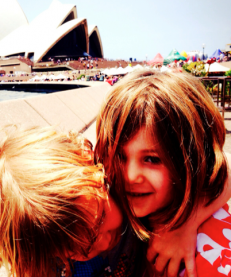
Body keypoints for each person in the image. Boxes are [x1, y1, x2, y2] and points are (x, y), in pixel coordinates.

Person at [0, 125, 138, 277]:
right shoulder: (46, 268)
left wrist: (168, 235)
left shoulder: (136, 207)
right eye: (80, 248)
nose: (105, 242)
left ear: (91, 162)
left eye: (102, 216)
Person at [95, 70, 231, 276]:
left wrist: (187, 221)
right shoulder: (104, 194)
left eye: (151, 159)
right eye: (119, 156)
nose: (131, 176)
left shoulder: (211, 256)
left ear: (194, 159)